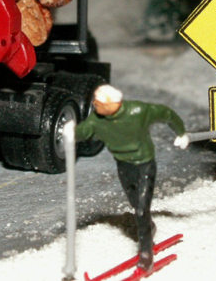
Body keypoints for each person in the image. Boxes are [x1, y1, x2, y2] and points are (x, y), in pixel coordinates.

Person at [75, 84, 189, 272]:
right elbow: (84, 131)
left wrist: (181, 133)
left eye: (99, 101)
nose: (94, 104)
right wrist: (70, 132)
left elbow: (166, 113)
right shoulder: (97, 119)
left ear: (113, 104)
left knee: (141, 210)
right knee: (136, 205)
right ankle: (149, 227)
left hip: (144, 164)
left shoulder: (138, 110)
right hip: (123, 165)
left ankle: (145, 253)